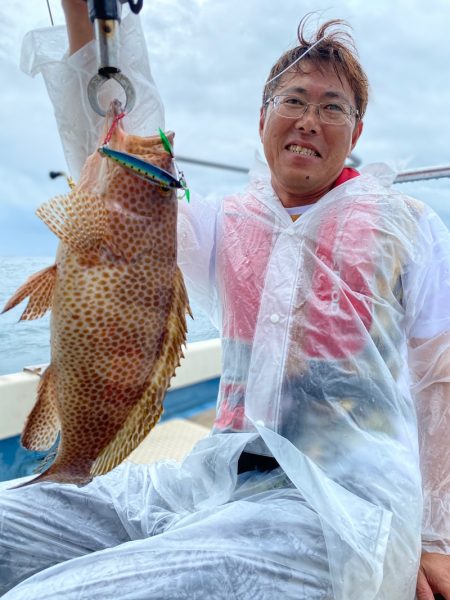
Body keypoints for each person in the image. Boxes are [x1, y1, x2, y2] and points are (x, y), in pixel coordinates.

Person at [1, 2, 450, 598]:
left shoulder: (408, 226)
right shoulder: (222, 224)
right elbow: (123, 168)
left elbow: (439, 383)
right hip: (210, 479)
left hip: (342, 509)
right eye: (292, 100)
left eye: (332, 107)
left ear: (357, 131)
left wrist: (434, 537)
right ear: (262, 116)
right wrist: (86, 18)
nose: (309, 119)